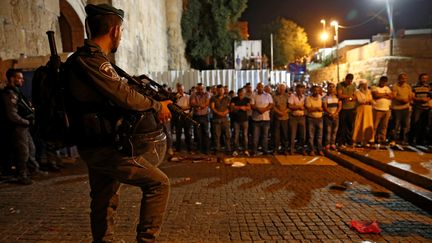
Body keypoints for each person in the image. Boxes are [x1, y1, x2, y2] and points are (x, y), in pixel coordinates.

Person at [63, 4, 171, 242]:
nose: (121, 36)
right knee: (159, 184)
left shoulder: (86, 60)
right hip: (104, 147)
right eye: (121, 31)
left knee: (103, 198)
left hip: (97, 142)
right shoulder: (92, 61)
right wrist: (156, 106)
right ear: (114, 30)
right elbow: (125, 96)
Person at [1, 69, 38, 185]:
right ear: (12, 79)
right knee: (23, 152)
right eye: (19, 78)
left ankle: (32, 170)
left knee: (31, 149)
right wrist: (25, 121)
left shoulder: (17, 92)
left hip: (23, 126)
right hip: (18, 127)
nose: (22, 80)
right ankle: (21, 175)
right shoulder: (9, 94)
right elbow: (12, 114)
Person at [250, 82, 273, 155]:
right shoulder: (253, 95)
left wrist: (264, 109)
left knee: (265, 136)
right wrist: (259, 109)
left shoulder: (268, 95)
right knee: (255, 137)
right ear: (257, 87)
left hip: (266, 119)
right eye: (259, 86)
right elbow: (252, 105)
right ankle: (254, 151)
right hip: (256, 119)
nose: (260, 88)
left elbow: (271, 104)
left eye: (261, 86)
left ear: (263, 87)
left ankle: (265, 151)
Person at [390, 73, 413, 145]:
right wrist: (401, 100)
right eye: (402, 78)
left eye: (405, 78)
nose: (403, 80)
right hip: (397, 108)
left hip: (405, 108)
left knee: (405, 125)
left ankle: (402, 140)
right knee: (395, 125)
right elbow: (393, 96)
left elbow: (410, 96)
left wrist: (408, 100)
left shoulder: (408, 87)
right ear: (399, 79)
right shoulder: (395, 86)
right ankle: (393, 140)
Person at [409, 73, 431, 145]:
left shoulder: (429, 87)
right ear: (419, 78)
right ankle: (411, 140)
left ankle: (420, 141)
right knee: (414, 124)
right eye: (423, 78)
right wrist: (420, 100)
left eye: (425, 78)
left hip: (426, 109)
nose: (424, 80)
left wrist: (427, 99)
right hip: (417, 108)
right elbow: (412, 97)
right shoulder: (414, 87)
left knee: (424, 125)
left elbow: (430, 96)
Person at [210, 84, 231, 154]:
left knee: (227, 135)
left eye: (221, 90)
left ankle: (228, 149)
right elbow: (212, 107)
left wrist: (225, 112)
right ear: (217, 90)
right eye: (218, 90)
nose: (220, 91)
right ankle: (217, 149)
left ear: (224, 90)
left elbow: (229, 107)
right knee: (217, 135)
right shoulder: (213, 98)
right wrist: (219, 113)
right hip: (216, 119)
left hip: (225, 119)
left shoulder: (228, 98)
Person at [336, 73, 357, 146]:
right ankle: (340, 141)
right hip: (343, 108)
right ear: (346, 79)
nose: (349, 83)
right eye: (348, 81)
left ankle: (349, 141)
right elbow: (340, 95)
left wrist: (349, 98)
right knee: (342, 126)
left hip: (351, 108)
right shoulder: (340, 85)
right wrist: (349, 96)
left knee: (350, 126)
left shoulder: (353, 85)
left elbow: (355, 97)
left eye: (350, 81)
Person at [371, 76, 393, 145]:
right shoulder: (374, 87)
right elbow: (375, 95)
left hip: (386, 109)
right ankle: (372, 138)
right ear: (380, 81)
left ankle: (381, 138)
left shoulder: (387, 88)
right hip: (377, 109)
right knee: (375, 125)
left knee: (384, 126)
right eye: (382, 81)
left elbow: (391, 96)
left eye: (385, 82)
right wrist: (385, 94)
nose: (383, 83)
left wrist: (381, 95)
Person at [190, 83, 211, 154]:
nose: (200, 90)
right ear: (196, 89)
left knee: (206, 133)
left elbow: (207, 103)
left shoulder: (207, 94)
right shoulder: (193, 94)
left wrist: (199, 105)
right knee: (198, 133)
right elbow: (192, 103)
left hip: (205, 116)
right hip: (196, 116)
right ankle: (199, 149)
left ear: (204, 88)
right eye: (199, 89)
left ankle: (207, 149)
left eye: (201, 89)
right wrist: (201, 105)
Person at [352, 79, 374, 146]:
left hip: (368, 110)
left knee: (367, 124)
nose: (365, 86)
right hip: (361, 109)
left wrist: (367, 101)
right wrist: (366, 101)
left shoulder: (369, 91)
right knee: (359, 123)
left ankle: (367, 140)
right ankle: (358, 139)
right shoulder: (357, 92)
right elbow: (360, 100)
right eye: (363, 85)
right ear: (361, 85)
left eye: (366, 85)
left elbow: (370, 100)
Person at [230, 88, 251, 156]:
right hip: (236, 120)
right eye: (240, 93)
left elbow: (248, 108)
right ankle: (235, 150)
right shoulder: (234, 99)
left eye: (243, 93)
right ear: (238, 93)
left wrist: (238, 107)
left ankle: (245, 150)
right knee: (236, 135)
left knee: (245, 136)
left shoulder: (247, 99)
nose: (242, 94)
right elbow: (232, 107)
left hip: (245, 120)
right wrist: (241, 107)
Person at [288, 84, 307, 155]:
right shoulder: (292, 96)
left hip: (302, 117)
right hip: (294, 118)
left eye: (301, 90)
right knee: (293, 135)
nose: (300, 91)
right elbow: (290, 106)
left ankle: (302, 149)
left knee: (303, 135)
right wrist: (298, 107)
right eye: (298, 90)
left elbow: (306, 106)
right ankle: (291, 149)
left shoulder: (305, 97)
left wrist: (296, 106)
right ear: (296, 90)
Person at [323, 83, 342, 150]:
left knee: (334, 130)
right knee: (328, 131)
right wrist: (330, 113)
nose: (331, 88)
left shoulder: (337, 98)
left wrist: (336, 113)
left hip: (336, 116)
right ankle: (327, 144)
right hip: (328, 116)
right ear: (327, 88)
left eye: (333, 87)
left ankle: (333, 143)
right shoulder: (325, 97)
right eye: (330, 87)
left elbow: (339, 106)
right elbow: (325, 107)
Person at [305, 86, 324, 155]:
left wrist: (315, 108)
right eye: (315, 90)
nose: (316, 92)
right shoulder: (308, 98)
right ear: (312, 90)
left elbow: (323, 107)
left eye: (318, 90)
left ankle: (319, 149)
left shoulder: (321, 98)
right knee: (311, 136)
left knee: (319, 136)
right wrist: (317, 109)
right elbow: (309, 109)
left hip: (320, 118)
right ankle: (311, 150)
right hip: (311, 119)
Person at [272, 83, 290, 155]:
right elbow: (273, 106)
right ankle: (275, 149)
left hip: (285, 118)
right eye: (280, 89)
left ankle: (285, 149)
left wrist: (284, 112)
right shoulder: (274, 97)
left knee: (285, 135)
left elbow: (290, 106)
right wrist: (279, 112)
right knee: (276, 135)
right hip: (277, 118)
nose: (281, 90)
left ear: (285, 89)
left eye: (282, 89)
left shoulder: (288, 96)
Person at [174, 84, 192, 152]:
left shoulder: (188, 97)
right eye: (179, 90)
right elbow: (174, 106)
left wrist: (182, 108)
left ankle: (189, 148)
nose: (180, 91)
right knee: (178, 133)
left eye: (181, 89)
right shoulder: (175, 97)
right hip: (178, 116)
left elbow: (190, 106)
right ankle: (178, 148)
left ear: (183, 89)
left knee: (188, 133)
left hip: (186, 116)